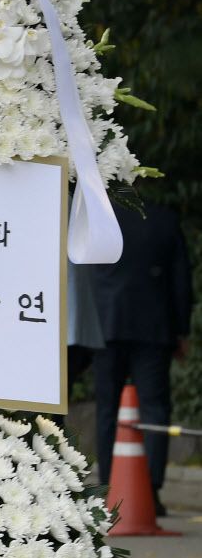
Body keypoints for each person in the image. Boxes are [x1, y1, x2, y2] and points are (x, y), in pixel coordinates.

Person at [92, 199, 192, 514]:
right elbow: (180, 279)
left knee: (107, 409)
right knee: (154, 408)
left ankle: (109, 486)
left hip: (106, 322)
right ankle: (149, 491)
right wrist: (181, 330)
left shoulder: (100, 218)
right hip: (154, 325)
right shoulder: (164, 218)